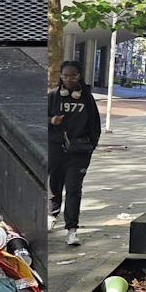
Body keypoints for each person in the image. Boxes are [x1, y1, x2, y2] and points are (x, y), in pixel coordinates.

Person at [49, 61, 103, 247]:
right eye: (65, 76)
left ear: (80, 76)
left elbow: (95, 125)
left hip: (79, 152)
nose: (68, 80)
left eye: (72, 76)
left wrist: (91, 146)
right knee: (53, 184)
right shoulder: (54, 96)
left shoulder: (86, 98)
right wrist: (51, 120)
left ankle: (72, 230)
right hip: (56, 149)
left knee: (73, 189)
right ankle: (51, 214)